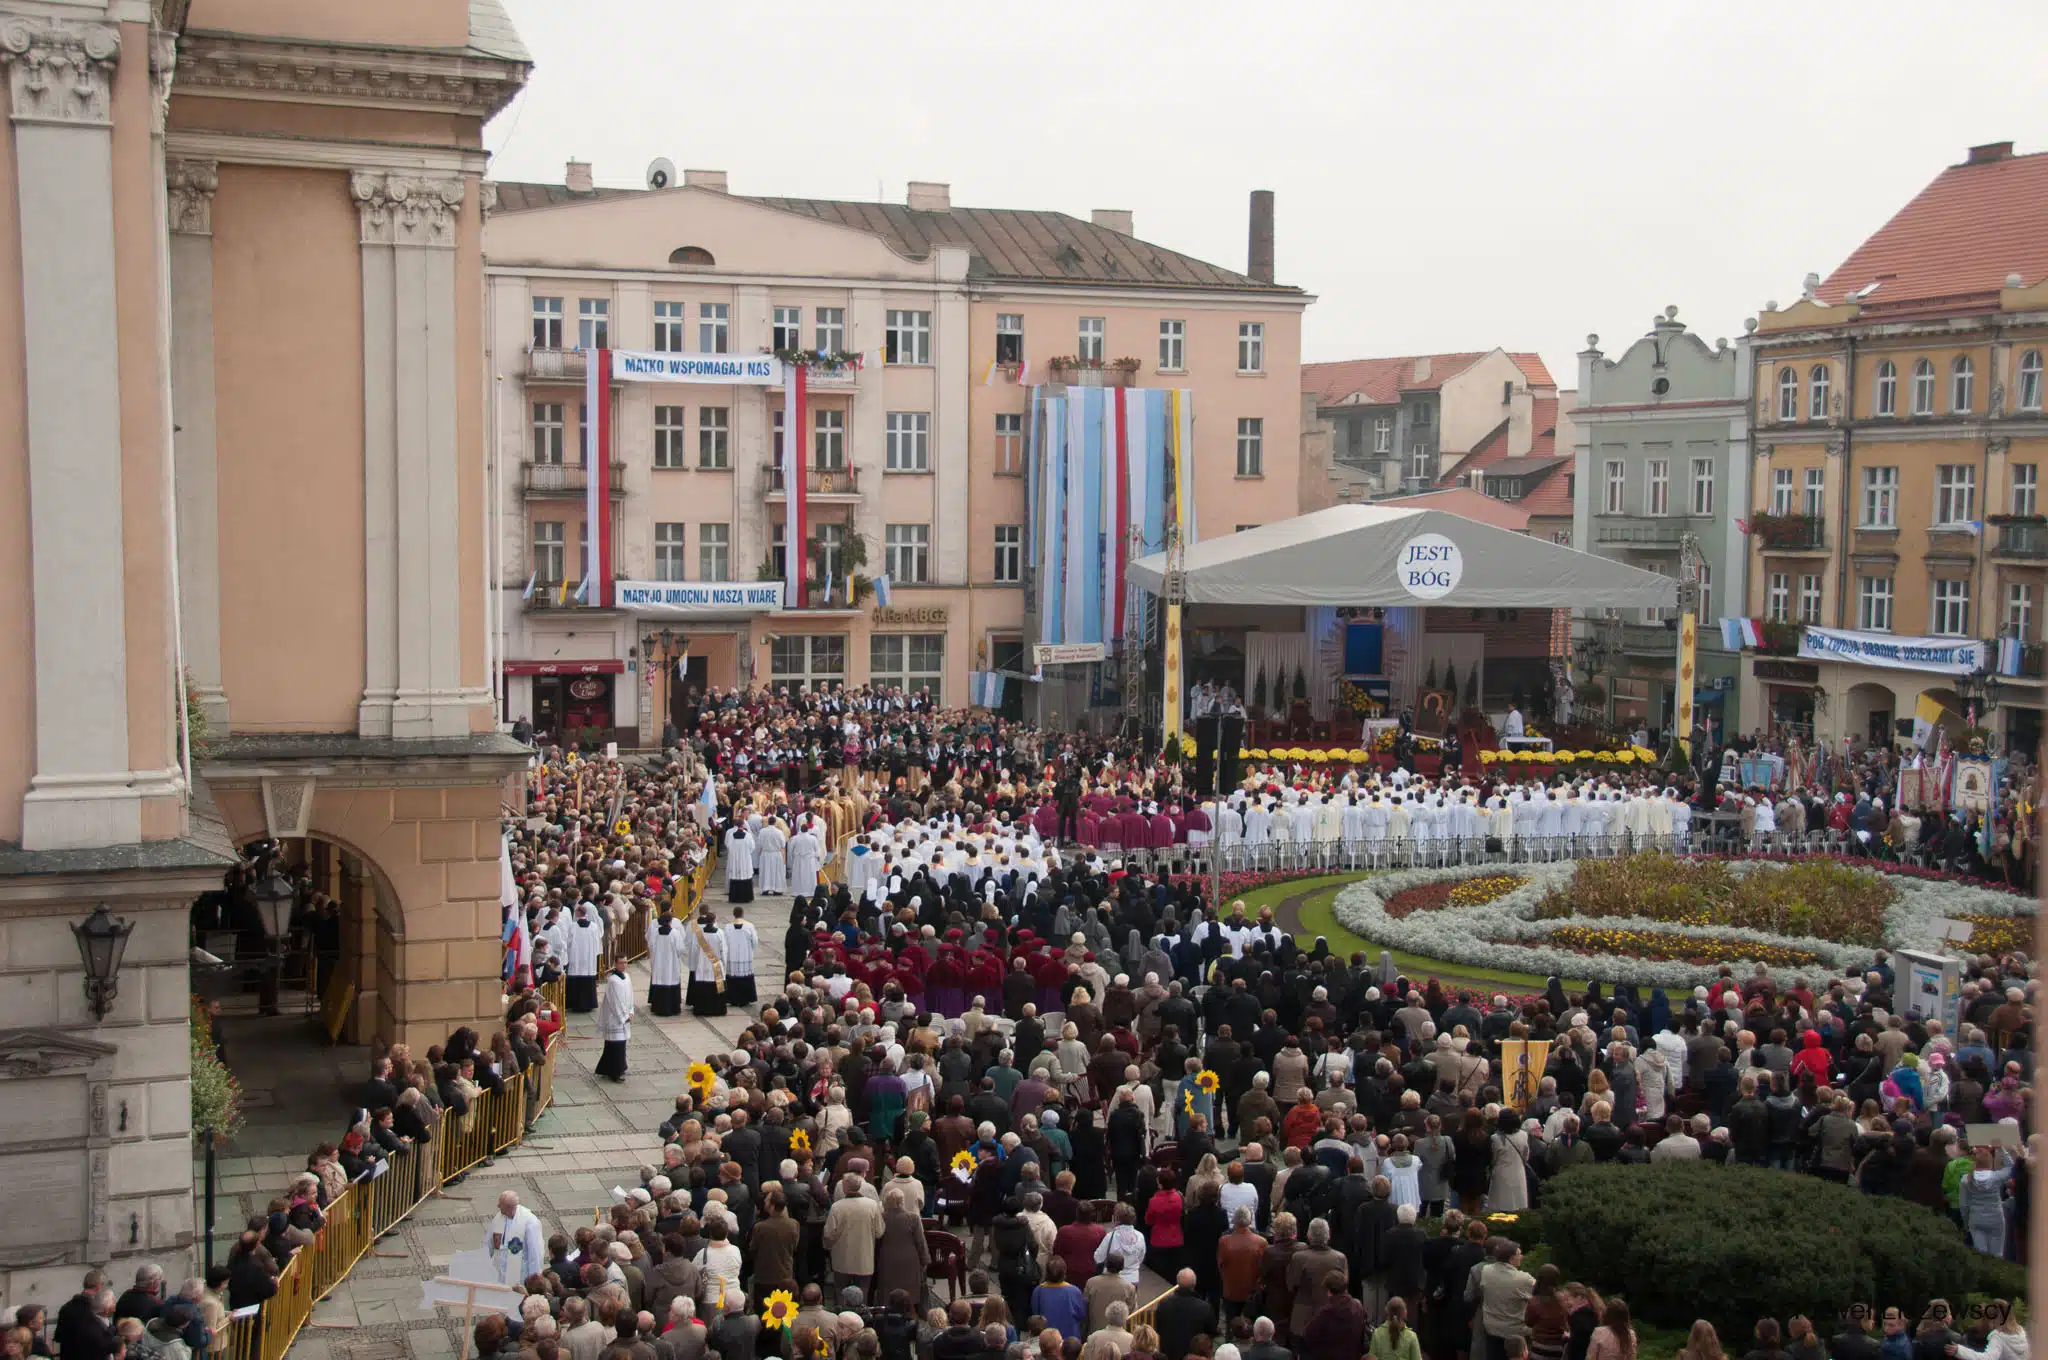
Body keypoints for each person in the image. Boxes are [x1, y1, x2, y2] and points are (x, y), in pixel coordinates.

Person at [486, 1191, 547, 1285]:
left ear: (508, 1207)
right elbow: (488, 1244)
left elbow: (535, 1253)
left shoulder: (530, 1222)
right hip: (499, 1274)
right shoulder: (498, 1218)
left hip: (519, 1277)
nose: (498, 1206)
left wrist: (534, 1281)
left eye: (500, 1204)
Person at [1152, 1270, 1214, 1360]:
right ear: (1194, 1284)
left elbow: (1158, 1328)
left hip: (1168, 1355)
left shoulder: (1163, 1304)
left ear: (1178, 1283)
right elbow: (1210, 1334)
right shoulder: (1205, 1308)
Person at [685, 909, 727, 1018]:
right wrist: (724, 963)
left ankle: (701, 1008)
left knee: (702, 987)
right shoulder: (720, 933)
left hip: (702, 964)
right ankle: (718, 1009)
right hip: (716, 963)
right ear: (714, 921)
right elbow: (723, 950)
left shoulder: (699, 933)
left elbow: (695, 950)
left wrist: (696, 963)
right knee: (718, 987)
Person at [595, 959, 633, 1081]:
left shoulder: (627, 977)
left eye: (626, 962)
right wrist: (624, 1016)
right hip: (614, 1017)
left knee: (619, 1044)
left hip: (625, 1014)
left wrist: (630, 1011)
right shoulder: (613, 980)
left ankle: (606, 1068)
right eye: (621, 963)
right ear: (615, 964)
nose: (624, 965)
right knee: (616, 1044)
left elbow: (630, 995)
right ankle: (616, 1072)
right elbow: (615, 1001)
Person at [647, 912, 686, 1017]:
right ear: (670, 921)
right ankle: (673, 1008)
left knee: (659, 981)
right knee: (671, 980)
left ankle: (658, 1007)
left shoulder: (655, 932)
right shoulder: (675, 933)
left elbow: (650, 945)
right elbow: (680, 949)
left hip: (658, 963)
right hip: (671, 964)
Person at [723, 908, 759, 1008]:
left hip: (732, 956)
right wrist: (750, 950)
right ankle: (745, 998)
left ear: (733, 914)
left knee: (732, 977)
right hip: (745, 955)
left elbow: (724, 942)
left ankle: (732, 998)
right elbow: (755, 941)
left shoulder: (728, 927)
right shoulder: (749, 926)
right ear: (742, 914)